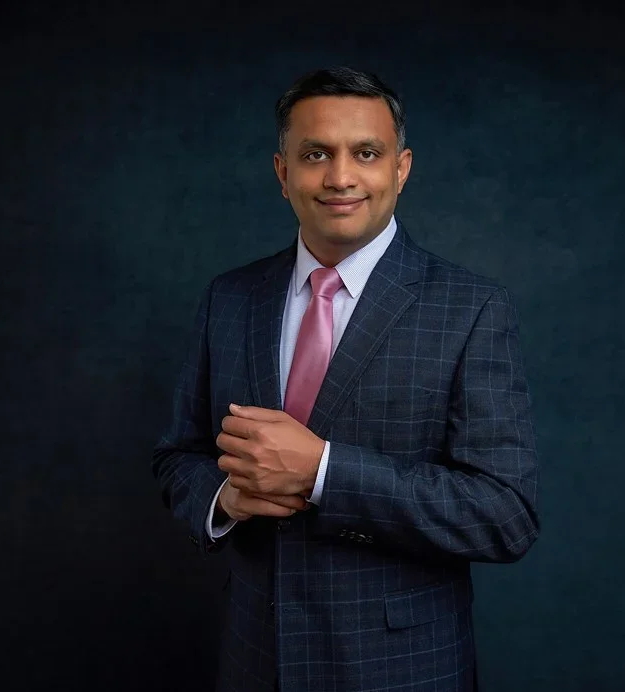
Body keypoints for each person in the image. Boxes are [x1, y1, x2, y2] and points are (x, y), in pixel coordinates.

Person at [152, 66, 540, 692]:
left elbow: (504, 516)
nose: (339, 177)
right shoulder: (229, 298)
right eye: (315, 154)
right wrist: (224, 499)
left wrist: (324, 471)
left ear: (401, 168)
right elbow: (178, 456)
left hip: (400, 671)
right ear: (283, 174)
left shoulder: (472, 309)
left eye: (365, 153)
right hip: (255, 659)